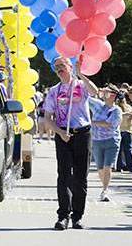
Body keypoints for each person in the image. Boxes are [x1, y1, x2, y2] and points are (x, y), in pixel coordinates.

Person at [43, 58, 96, 231]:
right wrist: (59, 132)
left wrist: (81, 74)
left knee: (80, 177)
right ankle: (63, 216)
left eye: (62, 66)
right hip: (63, 136)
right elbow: (47, 118)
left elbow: (95, 92)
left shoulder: (80, 84)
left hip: (82, 134)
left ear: (70, 67)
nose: (59, 69)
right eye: (56, 67)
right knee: (64, 176)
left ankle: (77, 217)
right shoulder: (53, 91)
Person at [89, 84, 122, 202]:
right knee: (100, 168)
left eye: (107, 92)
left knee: (107, 167)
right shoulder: (99, 105)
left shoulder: (117, 110)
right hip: (97, 141)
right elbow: (86, 97)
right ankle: (105, 186)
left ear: (113, 96)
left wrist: (93, 122)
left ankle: (105, 189)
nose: (104, 93)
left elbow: (110, 124)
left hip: (111, 141)